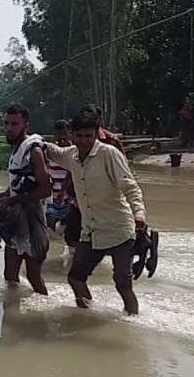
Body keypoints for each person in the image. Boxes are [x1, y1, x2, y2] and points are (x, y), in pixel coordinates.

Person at [44, 110, 147, 315]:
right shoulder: (71, 155)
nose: (83, 141)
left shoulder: (108, 154)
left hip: (118, 228)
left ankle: (133, 321)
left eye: (88, 136)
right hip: (91, 230)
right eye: (79, 136)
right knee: (75, 278)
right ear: (72, 135)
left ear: (96, 134)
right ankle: (88, 316)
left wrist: (139, 214)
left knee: (122, 283)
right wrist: (33, 141)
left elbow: (130, 187)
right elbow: (52, 151)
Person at [0, 105, 53, 295]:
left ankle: (42, 318)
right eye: (6, 123)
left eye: (14, 123)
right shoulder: (17, 150)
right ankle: (11, 316)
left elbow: (46, 189)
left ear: (25, 125)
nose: (9, 128)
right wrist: (3, 195)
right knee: (10, 275)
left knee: (34, 277)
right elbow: (17, 184)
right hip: (15, 223)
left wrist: (15, 200)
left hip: (32, 221)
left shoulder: (34, 151)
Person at [61, 104, 128, 249]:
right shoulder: (76, 142)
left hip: (106, 191)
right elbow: (71, 164)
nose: (83, 140)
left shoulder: (111, 143)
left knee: (119, 237)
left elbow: (123, 169)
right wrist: (63, 189)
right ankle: (78, 255)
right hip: (81, 191)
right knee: (71, 232)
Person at [45, 119, 72, 232]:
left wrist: (63, 191)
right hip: (52, 195)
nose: (61, 137)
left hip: (69, 196)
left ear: (69, 133)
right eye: (58, 134)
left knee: (68, 228)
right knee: (50, 225)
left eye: (64, 134)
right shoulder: (51, 151)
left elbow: (72, 173)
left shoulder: (73, 151)